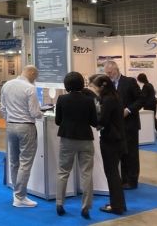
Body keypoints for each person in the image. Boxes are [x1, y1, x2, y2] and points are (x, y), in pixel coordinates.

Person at [55, 72, 98, 219]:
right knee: (87, 173)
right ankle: (86, 207)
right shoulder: (88, 100)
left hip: (67, 138)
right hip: (85, 139)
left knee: (63, 172)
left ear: (66, 85)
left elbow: (58, 121)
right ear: (81, 84)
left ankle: (59, 204)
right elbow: (94, 122)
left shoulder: (62, 99)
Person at [0, 65, 42, 208]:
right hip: (26, 127)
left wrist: (10, 119)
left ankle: (16, 193)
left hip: (11, 126)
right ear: (31, 73)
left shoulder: (7, 84)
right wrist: (42, 113)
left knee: (14, 161)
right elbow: (35, 113)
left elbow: (2, 108)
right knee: (25, 162)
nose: (35, 79)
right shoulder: (30, 88)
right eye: (35, 76)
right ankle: (20, 197)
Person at [104, 61, 143, 189]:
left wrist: (128, 110)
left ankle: (132, 180)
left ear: (116, 70)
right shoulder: (107, 85)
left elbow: (141, 100)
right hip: (116, 126)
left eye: (110, 72)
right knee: (121, 153)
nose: (108, 75)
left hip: (130, 124)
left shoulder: (129, 82)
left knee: (131, 153)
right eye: (106, 73)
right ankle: (124, 179)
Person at [92, 75, 127, 215]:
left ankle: (116, 206)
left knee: (111, 174)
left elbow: (103, 120)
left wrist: (95, 119)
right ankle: (119, 203)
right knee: (115, 174)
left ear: (101, 87)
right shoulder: (115, 97)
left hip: (110, 140)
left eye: (95, 87)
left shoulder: (108, 100)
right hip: (118, 139)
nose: (94, 89)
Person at [137, 73, 157, 138]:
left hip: (149, 105)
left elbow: (143, 96)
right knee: (152, 118)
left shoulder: (145, 86)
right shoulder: (150, 85)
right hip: (153, 104)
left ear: (141, 79)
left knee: (152, 118)